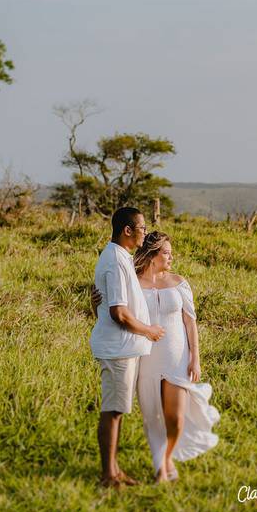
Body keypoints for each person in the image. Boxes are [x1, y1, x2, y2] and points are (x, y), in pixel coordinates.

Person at [93, 231, 219, 483]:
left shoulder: (179, 281)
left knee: (175, 418)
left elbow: (190, 322)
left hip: (177, 355)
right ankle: (161, 466)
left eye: (171, 253)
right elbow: (115, 308)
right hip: (147, 357)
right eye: (166, 253)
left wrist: (195, 357)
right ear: (152, 255)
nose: (171, 257)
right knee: (153, 417)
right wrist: (95, 299)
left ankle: (168, 455)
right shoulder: (133, 283)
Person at [90, 207, 166, 489]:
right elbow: (118, 313)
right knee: (112, 410)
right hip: (118, 349)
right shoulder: (115, 260)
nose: (145, 232)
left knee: (117, 410)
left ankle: (114, 470)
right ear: (127, 230)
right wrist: (149, 331)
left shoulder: (121, 257)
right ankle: (108, 474)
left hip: (123, 347)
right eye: (142, 228)